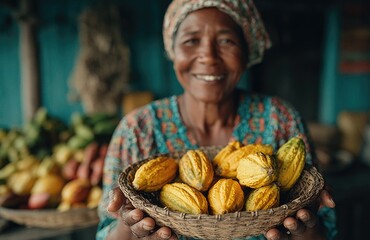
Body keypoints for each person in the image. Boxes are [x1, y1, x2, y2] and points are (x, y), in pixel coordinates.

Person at [96, 0, 337, 239]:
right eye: (191, 41)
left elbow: (323, 229)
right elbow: (106, 232)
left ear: (247, 50)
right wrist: (130, 226)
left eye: (226, 41)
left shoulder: (280, 119)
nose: (208, 57)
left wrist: (305, 227)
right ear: (172, 50)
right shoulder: (137, 128)